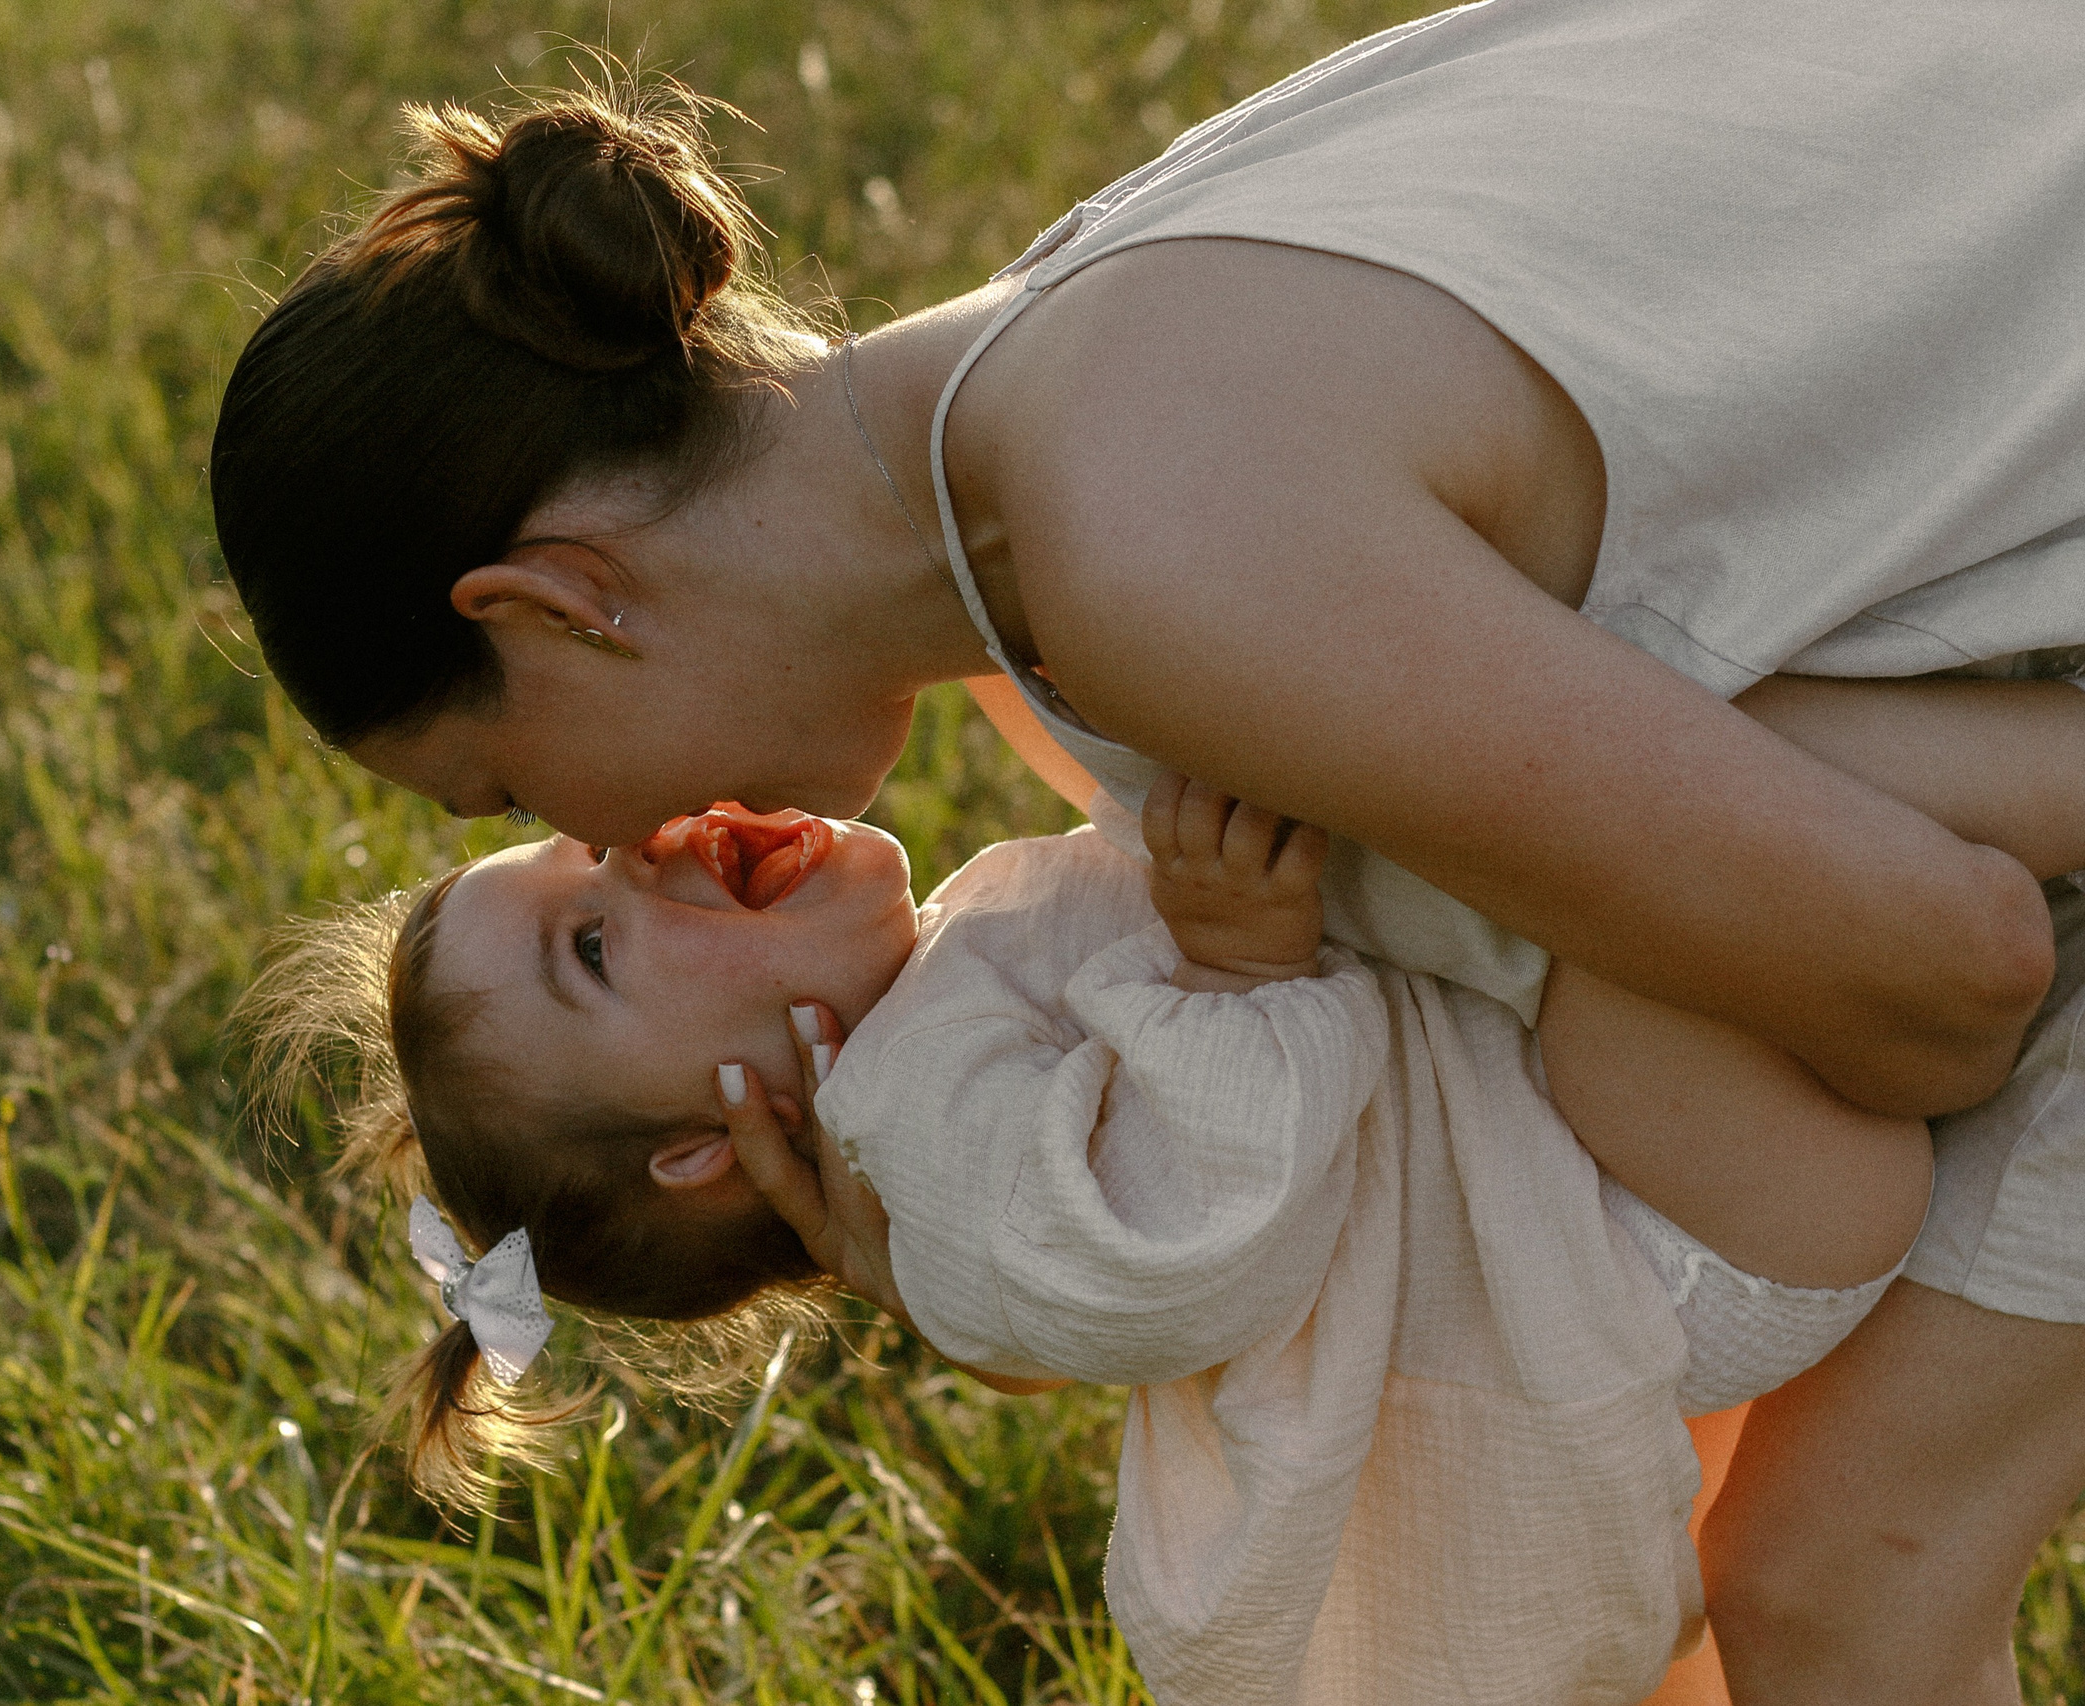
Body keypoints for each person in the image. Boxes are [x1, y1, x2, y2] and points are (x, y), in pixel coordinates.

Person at [208, 7, 2085, 1696]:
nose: (612, 845)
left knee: (1842, 1605)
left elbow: (1954, 985)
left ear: (554, 603)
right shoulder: (1073, 351)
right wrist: (1023, 1239)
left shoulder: (1146, 554)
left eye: (520, 804)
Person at [240, 672, 2084, 1700]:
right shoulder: (940, 1172)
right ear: (707, 1142)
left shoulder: (948, 1002)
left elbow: (1155, 809)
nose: (636, 851)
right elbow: (1188, 1250)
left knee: (1592, 821)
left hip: (1678, 1171)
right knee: (1592, 844)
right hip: (1690, 1242)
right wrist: (1238, 964)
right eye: (590, 943)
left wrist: (994, 641)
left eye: (579, 851)